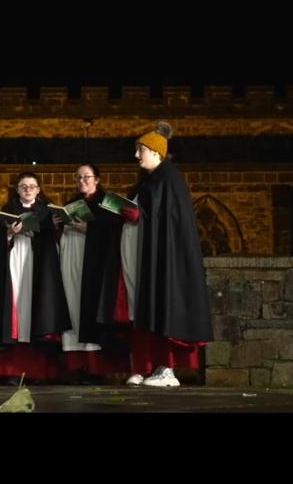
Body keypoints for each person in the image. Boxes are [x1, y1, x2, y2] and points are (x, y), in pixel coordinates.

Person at [121, 122, 213, 387]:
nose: (137, 156)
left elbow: (167, 220)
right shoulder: (153, 180)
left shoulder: (168, 179)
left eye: (141, 150)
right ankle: (152, 366)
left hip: (167, 259)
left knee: (165, 306)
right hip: (151, 255)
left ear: (156, 151)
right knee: (150, 309)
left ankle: (167, 371)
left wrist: (140, 214)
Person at [0, 172, 70, 384]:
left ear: (39, 190)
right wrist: (9, 235)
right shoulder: (7, 212)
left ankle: (38, 373)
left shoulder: (46, 212)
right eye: (23, 186)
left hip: (37, 267)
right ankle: (11, 371)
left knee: (36, 310)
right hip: (14, 263)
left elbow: (54, 241)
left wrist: (51, 228)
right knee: (13, 311)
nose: (28, 189)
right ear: (17, 189)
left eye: (32, 186)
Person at [54, 164, 129, 384]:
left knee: (92, 310)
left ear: (97, 178)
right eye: (78, 177)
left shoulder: (109, 202)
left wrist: (90, 230)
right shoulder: (71, 203)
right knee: (74, 309)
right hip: (72, 263)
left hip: (98, 267)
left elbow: (118, 230)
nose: (82, 181)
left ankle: (96, 368)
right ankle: (77, 367)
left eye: (86, 176)